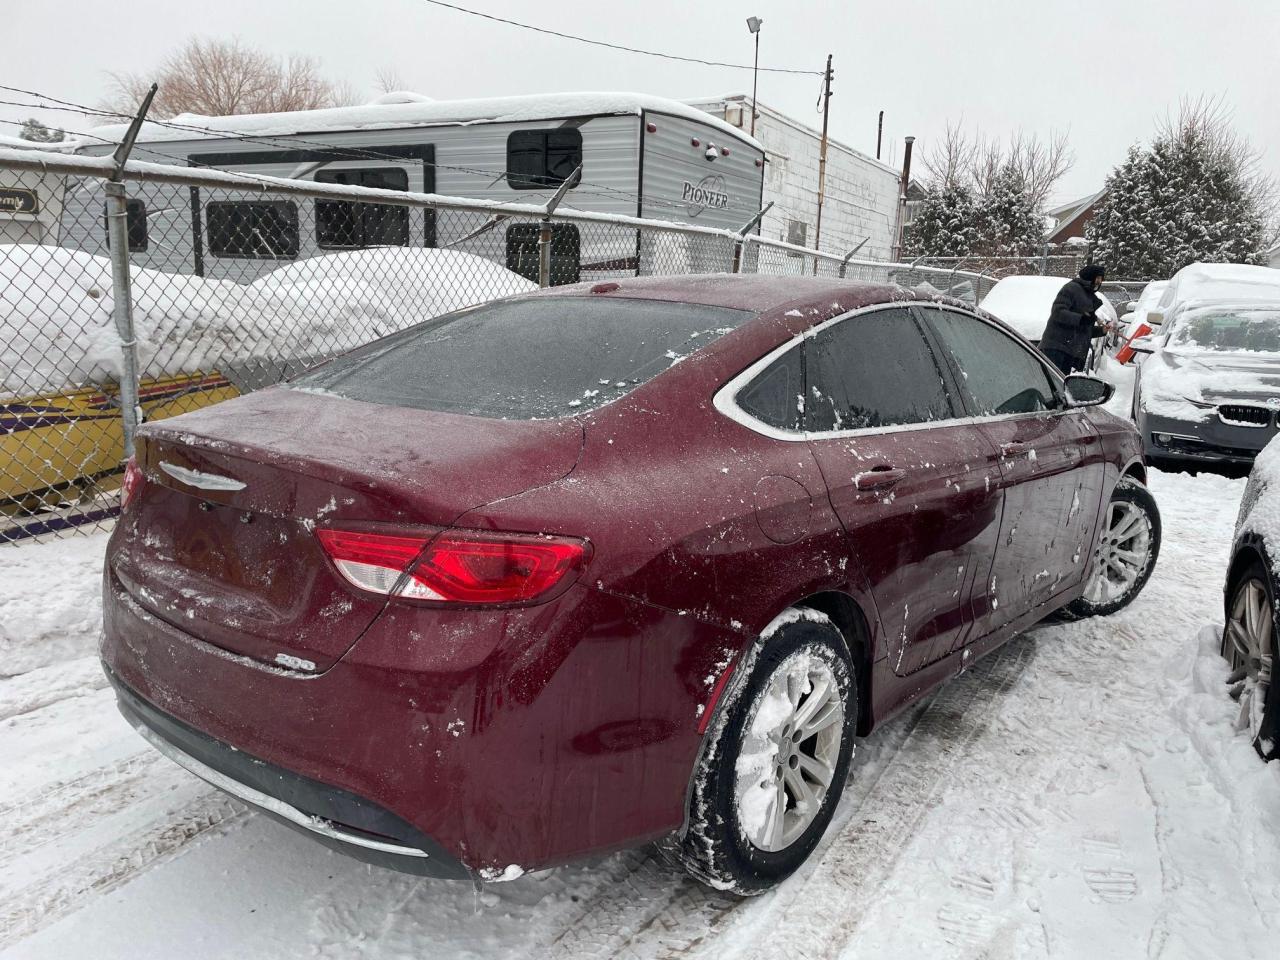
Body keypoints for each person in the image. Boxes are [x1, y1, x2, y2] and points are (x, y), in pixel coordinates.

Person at [1040, 264, 1107, 375]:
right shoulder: (1071, 288)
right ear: (1090, 277)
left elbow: (1083, 328)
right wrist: (1081, 319)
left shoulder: (1088, 296)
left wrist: (1101, 331)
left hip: (1068, 350)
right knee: (1051, 382)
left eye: (1101, 279)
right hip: (1056, 347)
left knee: (1060, 385)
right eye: (1098, 278)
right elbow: (1058, 312)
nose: (1100, 282)